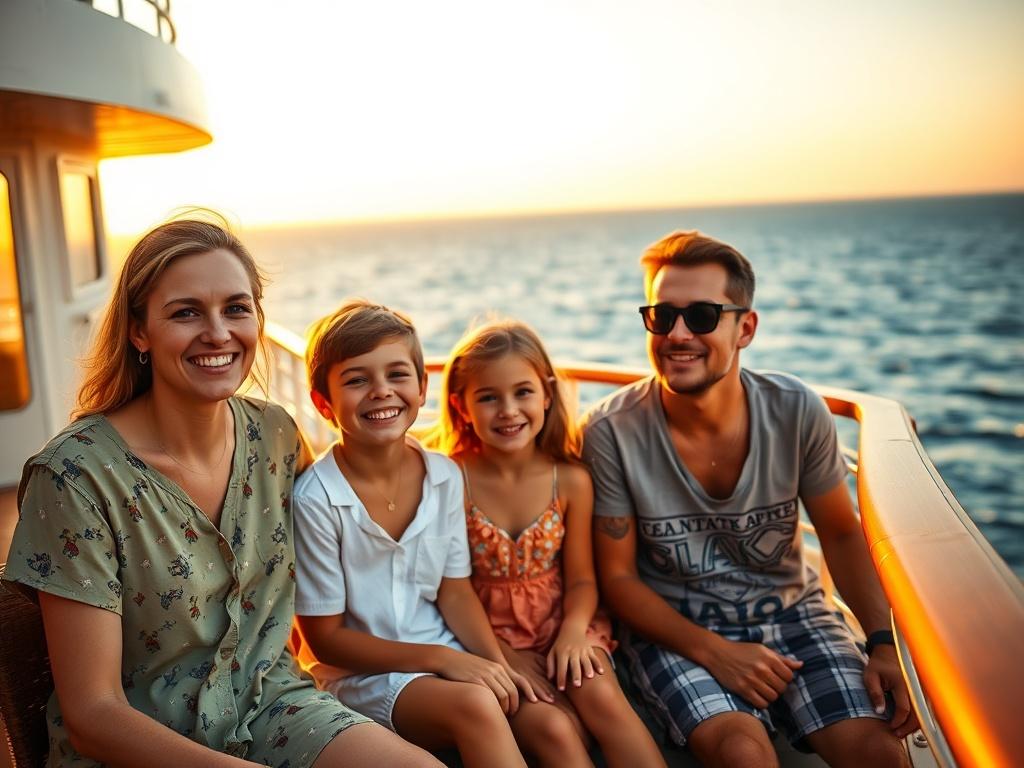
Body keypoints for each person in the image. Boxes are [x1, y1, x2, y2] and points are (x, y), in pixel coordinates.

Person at [2, 217, 437, 768]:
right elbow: (93, 714)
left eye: (236, 308)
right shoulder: (76, 478)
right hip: (141, 744)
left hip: (272, 708)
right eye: (186, 312)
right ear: (140, 331)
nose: (218, 332)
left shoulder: (277, 436)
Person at [581, 231, 919, 768]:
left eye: (702, 316)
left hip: (794, 615)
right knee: (741, 754)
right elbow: (618, 579)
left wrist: (883, 642)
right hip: (677, 627)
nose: (678, 334)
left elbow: (840, 532)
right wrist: (716, 652)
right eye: (663, 316)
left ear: (746, 328)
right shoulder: (611, 430)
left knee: (878, 753)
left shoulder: (795, 410)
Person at [292, 300, 541, 768]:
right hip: (362, 675)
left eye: (397, 375)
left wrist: (497, 662)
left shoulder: (444, 475)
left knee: (548, 721)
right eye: (357, 379)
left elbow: (454, 591)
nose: (381, 391)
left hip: (444, 651)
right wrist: (445, 661)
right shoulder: (317, 499)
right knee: (477, 706)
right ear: (323, 402)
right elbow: (325, 640)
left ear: (423, 386)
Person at [434, 320, 666, 768]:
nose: (508, 410)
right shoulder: (450, 479)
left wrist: (573, 633)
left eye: (522, 392)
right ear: (461, 406)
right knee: (555, 729)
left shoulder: (571, 480)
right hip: (486, 639)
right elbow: (451, 590)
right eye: (487, 397)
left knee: (601, 697)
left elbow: (581, 580)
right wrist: (503, 657)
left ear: (546, 393)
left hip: (566, 623)